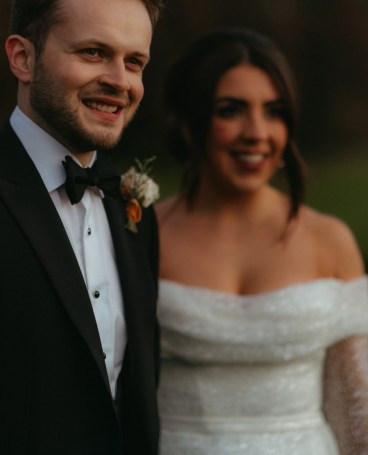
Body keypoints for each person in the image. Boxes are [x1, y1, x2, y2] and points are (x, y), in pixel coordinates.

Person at [0, 0, 163, 454]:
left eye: (134, 61)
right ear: (23, 57)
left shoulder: (132, 207)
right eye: (93, 52)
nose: (120, 81)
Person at [156, 27, 368, 455]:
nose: (257, 132)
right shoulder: (141, 236)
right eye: (231, 110)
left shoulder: (330, 241)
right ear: (189, 123)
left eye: (274, 112)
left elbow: (358, 409)